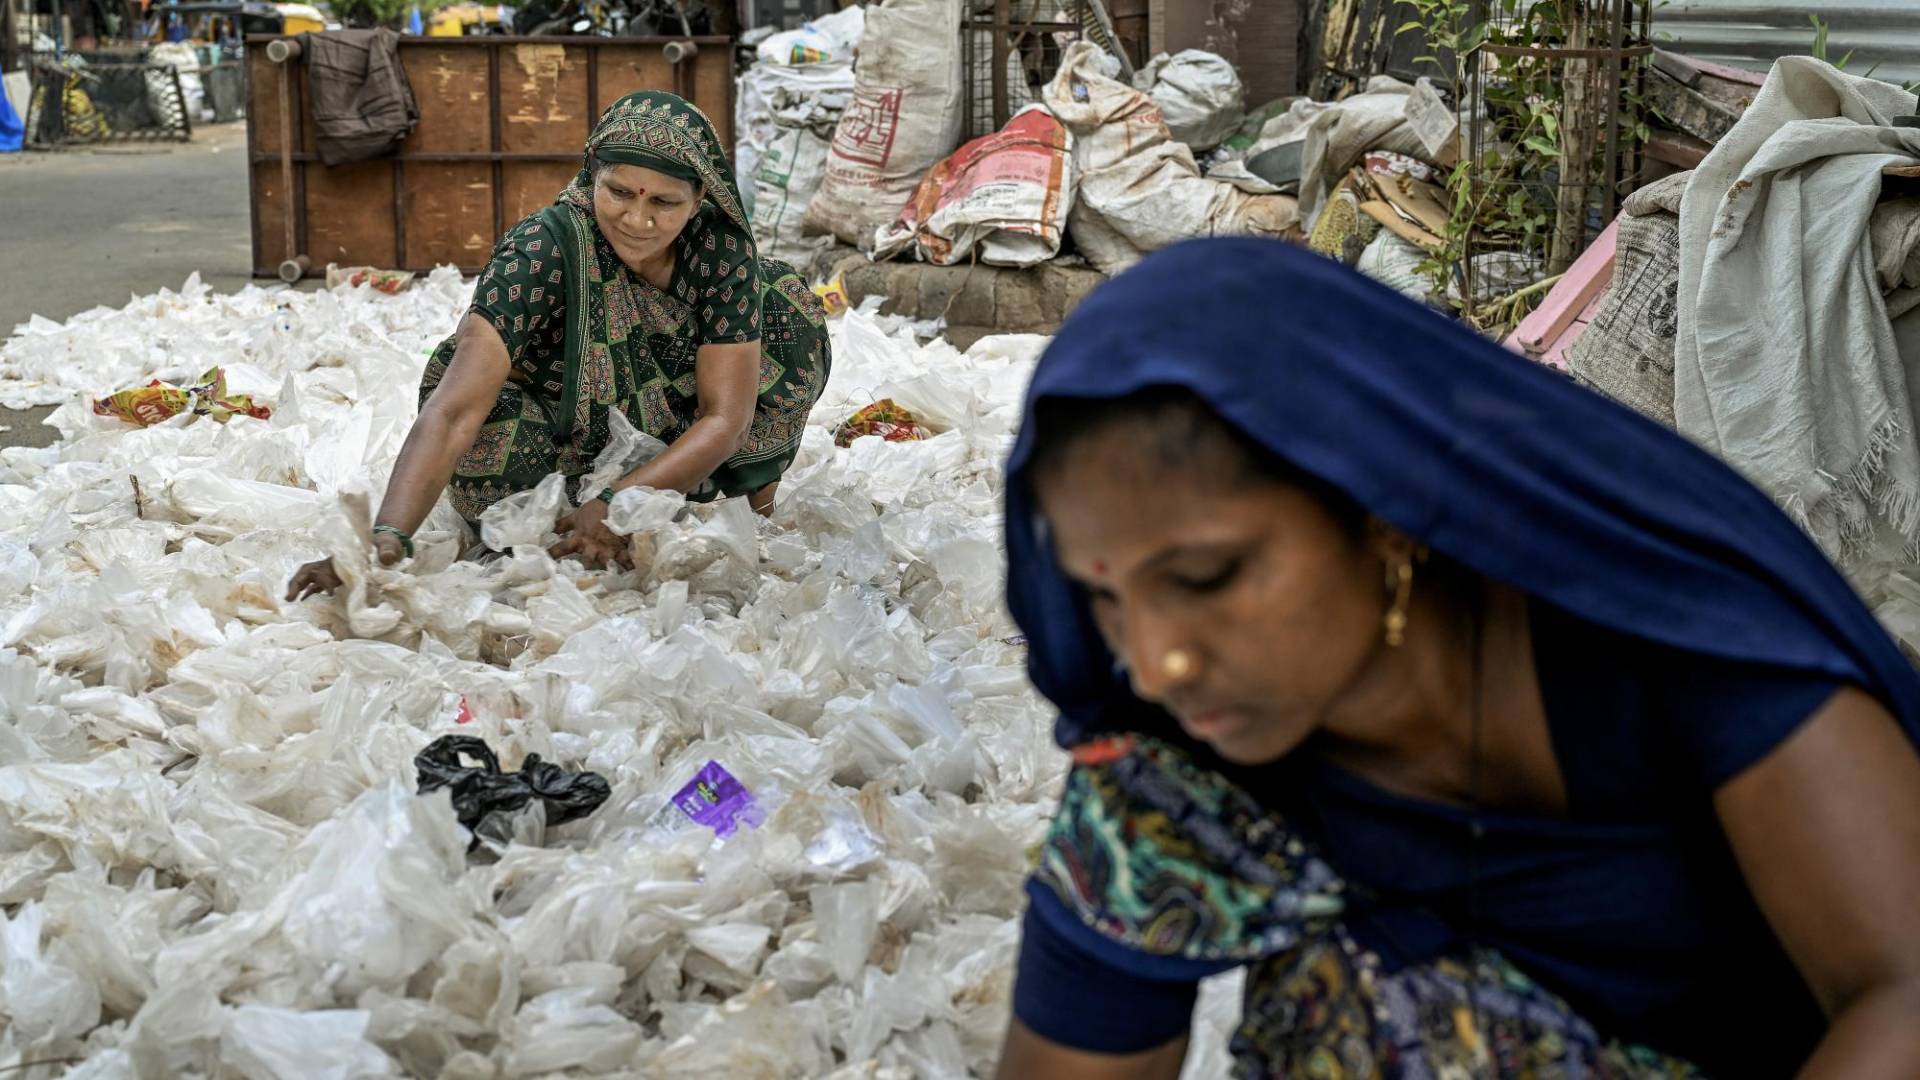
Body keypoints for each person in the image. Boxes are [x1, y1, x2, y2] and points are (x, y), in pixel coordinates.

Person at [996, 238, 1920, 1078]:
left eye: (1205, 576)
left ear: (1383, 514)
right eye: (1106, 601)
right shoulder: (1167, 779)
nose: (1158, 666)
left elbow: (1903, 994)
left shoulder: (1682, 640)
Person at [288, 91, 830, 598]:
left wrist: (620, 503)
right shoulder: (543, 249)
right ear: (592, 173)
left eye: (665, 202)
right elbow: (456, 409)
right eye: (619, 192)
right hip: (560, 437)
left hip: (675, 441)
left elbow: (724, 420)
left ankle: (741, 499)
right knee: (482, 403)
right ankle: (561, 528)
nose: (638, 220)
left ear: (699, 199)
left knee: (783, 302)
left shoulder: (719, 249)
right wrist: (385, 539)